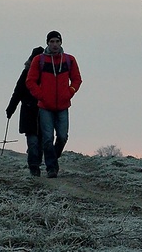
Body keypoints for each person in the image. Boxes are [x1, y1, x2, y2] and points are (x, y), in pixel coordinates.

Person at [26, 31, 82, 178]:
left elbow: (77, 79)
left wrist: (70, 91)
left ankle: (52, 158)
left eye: (57, 41)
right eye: (52, 41)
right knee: (47, 138)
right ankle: (51, 168)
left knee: (63, 136)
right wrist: (41, 95)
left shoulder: (69, 60)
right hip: (45, 107)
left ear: (61, 42)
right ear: (47, 43)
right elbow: (30, 81)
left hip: (63, 106)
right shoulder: (39, 60)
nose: (55, 44)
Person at [6, 46, 45, 177]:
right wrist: (11, 108)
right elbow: (18, 92)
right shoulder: (26, 74)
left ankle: (36, 163)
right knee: (33, 141)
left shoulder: (48, 73)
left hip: (44, 111)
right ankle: (34, 166)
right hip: (29, 112)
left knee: (40, 142)